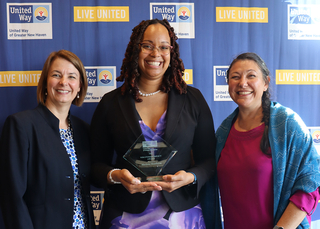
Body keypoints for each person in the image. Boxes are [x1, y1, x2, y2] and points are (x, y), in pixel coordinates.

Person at [90, 19, 216, 228]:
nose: (155, 54)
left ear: (171, 52)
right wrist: (116, 176)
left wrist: (190, 177)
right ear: (135, 50)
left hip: (182, 216)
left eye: (164, 47)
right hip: (125, 215)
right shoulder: (110, 103)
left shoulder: (193, 99)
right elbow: (95, 166)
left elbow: (209, 161)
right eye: (147, 45)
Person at [202, 52, 320, 229]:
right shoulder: (222, 133)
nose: (242, 83)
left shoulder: (287, 123)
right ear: (228, 84)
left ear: (265, 83)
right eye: (235, 77)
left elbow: (311, 181)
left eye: (251, 76)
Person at [0, 50, 95, 229]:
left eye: (72, 77)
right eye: (56, 75)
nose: (64, 82)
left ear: (80, 86)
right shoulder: (21, 125)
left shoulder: (84, 130)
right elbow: (12, 197)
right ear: (45, 82)